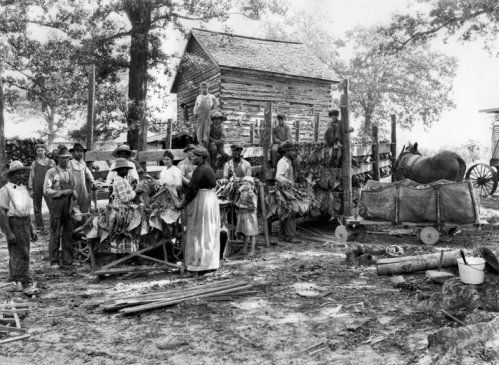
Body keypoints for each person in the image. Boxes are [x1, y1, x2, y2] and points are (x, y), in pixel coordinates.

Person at [174, 147, 220, 273]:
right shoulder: (207, 168)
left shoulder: (201, 170)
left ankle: (200, 264)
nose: (191, 158)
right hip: (210, 198)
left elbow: (192, 190)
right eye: (191, 156)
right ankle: (209, 262)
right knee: (208, 230)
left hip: (202, 200)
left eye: (194, 156)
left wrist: (181, 204)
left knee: (200, 230)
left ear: (201, 157)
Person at [0, 161, 41, 295]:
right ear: (12, 174)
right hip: (14, 223)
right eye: (18, 173)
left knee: (21, 252)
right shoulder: (6, 190)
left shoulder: (23, 188)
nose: (21, 175)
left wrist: (32, 228)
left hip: (24, 222)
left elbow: (26, 210)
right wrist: (9, 232)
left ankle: (14, 280)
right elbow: (2, 213)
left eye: (23, 172)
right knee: (21, 253)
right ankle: (26, 283)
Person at [44, 147, 78, 269]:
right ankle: (54, 261)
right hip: (56, 205)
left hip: (68, 205)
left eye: (67, 158)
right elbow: (46, 190)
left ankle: (67, 260)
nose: (66, 161)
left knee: (68, 233)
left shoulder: (70, 172)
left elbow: (74, 188)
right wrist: (62, 192)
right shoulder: (51, 172)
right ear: (58, 158)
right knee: (55, 233)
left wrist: (74, 195)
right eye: (63, 158)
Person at [110, 158, 143, 254]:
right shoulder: (119, 181)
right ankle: (121, 255)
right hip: (121, 211)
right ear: (120, 170)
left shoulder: (122, 179)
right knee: (123, 233)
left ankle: (125, 254)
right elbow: (124, 198)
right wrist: (135, 192)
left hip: (124, 209)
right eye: (126, 169)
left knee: (125, 233)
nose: (128, 171)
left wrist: (131, 187)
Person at [275, 141, 300, 244]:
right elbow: (278, 176)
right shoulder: (282, 162)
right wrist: (288, 182)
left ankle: (282, 235)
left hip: (288, 190)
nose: (293, 153)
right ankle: (290, 236)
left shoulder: (288, 162)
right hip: (285, 191)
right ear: (286, 152)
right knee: (290, 212)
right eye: (291, 151)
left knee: (285, 212)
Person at [28, 143, 55, 235]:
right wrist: (31, 188)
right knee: (37, 208)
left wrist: (55, 187)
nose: (40, 152)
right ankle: (40, 228)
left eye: (42, 150)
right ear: (36, 152)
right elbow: (31, 176)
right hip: (37, 187)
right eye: (38, 151)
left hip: (48, 187)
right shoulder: (34, 163)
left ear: (45, 151)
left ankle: (53, 227)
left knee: (52, 207)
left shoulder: (51, 162)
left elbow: (55, 175)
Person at [69, 143, 96, 223]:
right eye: (77, 151)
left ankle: (83, 229)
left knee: (84, 208)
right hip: (74, 189)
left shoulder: (83, 164)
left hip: (83, 189)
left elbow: (88, 174)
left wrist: (93, 182)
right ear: (73, 153)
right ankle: (73, 230)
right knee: (74, 209)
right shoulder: (70, 163)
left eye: (81, 151)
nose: (80, 153)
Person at [234, 176, 258, 256]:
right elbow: (238, 202)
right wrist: (237, 204)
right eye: (244, 184)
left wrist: (242, 206)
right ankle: (244, 249)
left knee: (251, 233)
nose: (245, 185)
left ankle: (252, 250)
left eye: (247, 184)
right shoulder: (242, 193)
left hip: (250, 216)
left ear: (251, 185)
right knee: (245, 233)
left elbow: (253, 206)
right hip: (243, 215)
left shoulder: (252, 194)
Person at [193, 82, 220, 148]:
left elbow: (217, 104)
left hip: (208, 114)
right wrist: (195, 112)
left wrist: (212, 111)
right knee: (199, 129)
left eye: (205, 88)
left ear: (208, 88)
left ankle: (205, 144)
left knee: (206, 129)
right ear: (201, 89)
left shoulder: (211, 96)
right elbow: (196, 106)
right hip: (200, 115)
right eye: (202, 88)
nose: (204, 89)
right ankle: (200, 143)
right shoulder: (198, 97)